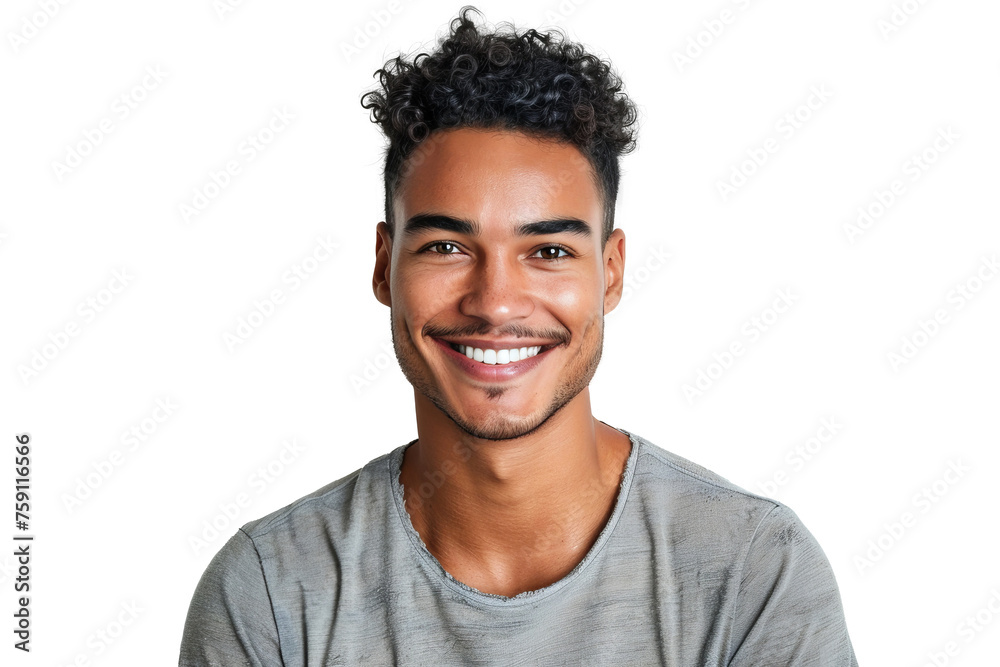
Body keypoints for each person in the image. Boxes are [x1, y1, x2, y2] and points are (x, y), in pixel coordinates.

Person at [179, 6, 858, 665]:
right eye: (447, 246)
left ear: (611, 272)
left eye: (549, 252)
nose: (495, 301)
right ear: (385, 266)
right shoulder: (270, 591)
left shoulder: (752, 572)